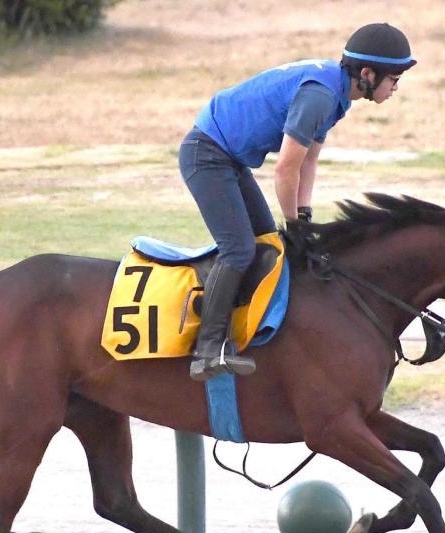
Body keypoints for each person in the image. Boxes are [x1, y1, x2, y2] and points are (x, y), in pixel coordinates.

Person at [179, 23, 417, 382]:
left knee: (269, 245)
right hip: (206, 154)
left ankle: (250, 331)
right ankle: (208, 349)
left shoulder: (336, 95)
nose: (396, 87)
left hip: (227, 158)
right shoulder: (321, 96)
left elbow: (309, 161)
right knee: (240, 250)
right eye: (394, 79)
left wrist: (302, 219)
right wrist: (293, 222)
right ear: (367, 73)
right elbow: (285, 169)